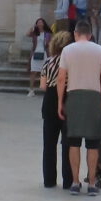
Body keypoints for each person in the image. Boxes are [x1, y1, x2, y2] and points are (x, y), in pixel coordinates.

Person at [56, 19, 101, 196]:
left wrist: (60, 102)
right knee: (93, 144)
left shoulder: (67, 50)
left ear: (75, 33)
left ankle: (74, 182)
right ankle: (93, 183)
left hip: (74, 96)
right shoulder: (99, 49)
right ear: (89, 34)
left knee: (73, 142)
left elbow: (60, 78)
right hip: (93, 96)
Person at [39, 30, 73, 189]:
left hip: (49, 101)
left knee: (49, 144)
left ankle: (49, 180)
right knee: (68, 143)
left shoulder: (48, 62)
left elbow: (42, 86)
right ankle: (68, 180)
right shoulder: (71, 63)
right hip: (67, 101)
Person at [27, 17, 50, 96]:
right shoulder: (34, 33)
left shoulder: (47, 33)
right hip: (35, 53)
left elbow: (49, 43)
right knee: (33, 71)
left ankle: (45, 89)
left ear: (44, 24)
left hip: (44, 54)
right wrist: (32, 27)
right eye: (38, 22)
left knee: (45, 72)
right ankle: (31, 90)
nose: (39, 24)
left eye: (41, 22)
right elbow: (27, 34)